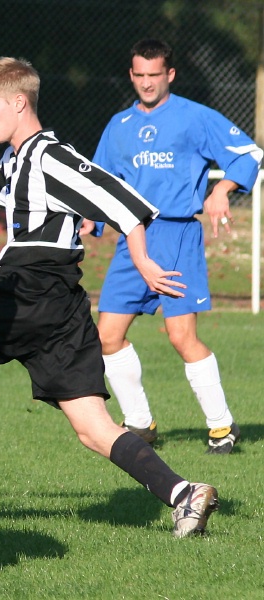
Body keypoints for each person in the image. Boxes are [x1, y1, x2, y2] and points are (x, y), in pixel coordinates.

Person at [0, 56, 219, 538]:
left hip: (27, 289)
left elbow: (124, 203)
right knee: (93, 427)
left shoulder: (51, 157)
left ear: (19, 103)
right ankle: (184, 492)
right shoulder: (16, 158)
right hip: (57, 301)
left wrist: (142, 260)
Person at [90, 38, 262, 453]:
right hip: (134, 238)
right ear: (131, 75)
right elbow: (100, 182)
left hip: (178, 235)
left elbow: (249, 153)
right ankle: (140, 425)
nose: (147, 83)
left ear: (170, 74)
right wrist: (88, 220)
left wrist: (222, 189)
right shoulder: (119, 126)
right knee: (107, 336)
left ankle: (221, 427)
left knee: (180, 336)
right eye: (140, 75)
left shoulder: (195, 118)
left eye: (155, 75)